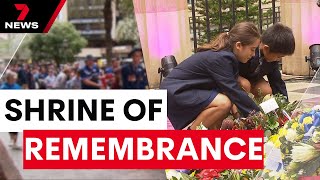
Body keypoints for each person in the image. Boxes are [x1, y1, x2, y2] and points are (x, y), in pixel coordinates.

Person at [160, 22, 261, 130]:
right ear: (239, 46)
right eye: (252, 49)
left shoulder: (226, 55)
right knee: (223, 103)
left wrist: (239, 116)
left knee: (228, 96)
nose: (254, 54)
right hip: (176, 91)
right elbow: (233, 90)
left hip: (182, 89)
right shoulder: (223, 58)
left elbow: (231, 90)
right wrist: (257, 115)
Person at [238, 23, 295, 99]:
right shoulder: (249, 52)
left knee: (266, 91)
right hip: (236, 77)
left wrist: (284, 104)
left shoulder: (271, 60)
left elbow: (276, 82)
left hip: (253, 79)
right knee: (245, 84)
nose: (278, 59)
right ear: (266, 49)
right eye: (278, 56)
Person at [0, 70, 21, 150]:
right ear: (8, 78)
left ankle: (14, 141)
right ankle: (13, 140)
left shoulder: (17, 86)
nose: (15, 79)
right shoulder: (3, 88)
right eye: (13, 78)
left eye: (15, 78)